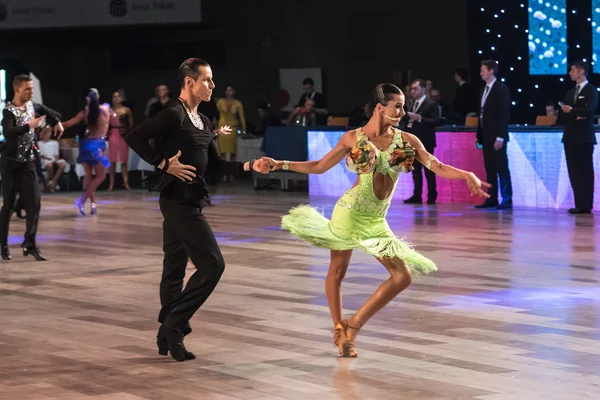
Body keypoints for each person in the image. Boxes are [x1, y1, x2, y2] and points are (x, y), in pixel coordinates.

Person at [262, 83, 490, 357]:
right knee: (338, 271)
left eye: (404, 106)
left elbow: (437, 166)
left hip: (376, 219)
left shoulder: (407, 140)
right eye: (398, 106)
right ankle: (338, 329)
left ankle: (354, 324)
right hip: (349, 212)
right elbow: (319, 166)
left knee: (402, 276)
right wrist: (280, 164)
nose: (403, 111)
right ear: (381, 108)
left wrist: (467, 174)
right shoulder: (352, 138)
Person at [125, 58, 268, 362]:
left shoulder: (202, 120)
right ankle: (172, 323)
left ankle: (170, 336)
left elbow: (214, 165)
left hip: (191, 201)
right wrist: (163, 164)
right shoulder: (173, 115)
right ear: (189, 82)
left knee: (174, 269)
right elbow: (134, 136)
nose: (212, 86)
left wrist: (249, 165)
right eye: (207, 80)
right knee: (213, 265)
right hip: (177, 202)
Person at [0, 74, 64, 262]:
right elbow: (7, 132)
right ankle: (3, 244)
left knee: (35, 204)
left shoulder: (32, 106)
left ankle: (30, 244)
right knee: (9, 205)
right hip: (10, 164)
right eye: (27, 89)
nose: (31, 92)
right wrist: (29, 125)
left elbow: (51, 112)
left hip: (28, 163)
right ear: (17, 89)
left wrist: (56, 122)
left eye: (32, 89)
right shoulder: (8, 111)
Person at [62, 89, 110, 215]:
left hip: (85, 144)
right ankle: (82, 200)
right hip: (97, 145)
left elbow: (67, 124)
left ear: (87, 99)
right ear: (97, 96)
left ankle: (93, 204)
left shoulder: (86, 113)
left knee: (89, 177)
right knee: (101, 176)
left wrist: (52, 126)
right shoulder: (105, 110)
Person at [560, 61, 598, 214]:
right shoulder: (570, 92)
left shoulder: (591, 90)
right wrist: (575, 114)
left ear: (581, 72)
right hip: (570, 137)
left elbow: (589, 111)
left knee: (585, 170)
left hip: (584, 137)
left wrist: (573, 111)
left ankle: (586, 204)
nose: (570, 73)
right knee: (574, 171)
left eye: (573, 70)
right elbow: (563, 114)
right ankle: (578, 203)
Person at [475, 60, 513, 210]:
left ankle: (507, 198)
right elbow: (481, 115)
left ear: (491, 71)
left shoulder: (501, 89)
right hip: (486, 136)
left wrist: (500, 137)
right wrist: (479, 135)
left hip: (497, 136)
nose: (480, 73)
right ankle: (491, 198)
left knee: (501, 168)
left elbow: (504, 115)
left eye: (483, 70)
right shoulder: (482, 90)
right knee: (489, 169)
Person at [401, 79, 440, 204]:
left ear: (423, 89)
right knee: (415, 170)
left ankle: (431, 195)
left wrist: (420, 118)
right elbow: (408, 122)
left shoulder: (431, 104)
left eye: (416, 89)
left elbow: (436, 121)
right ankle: (417, 194)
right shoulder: (412, 103)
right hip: (413, 142)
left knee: (429, 170)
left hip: (426, 142)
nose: (413, 91)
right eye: (412, 89)